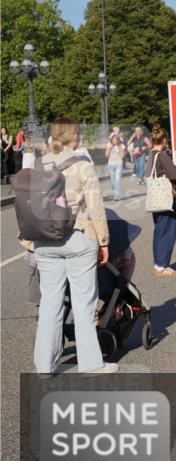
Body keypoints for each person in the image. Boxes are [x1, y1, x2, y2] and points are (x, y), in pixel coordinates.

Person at [27, 118, 116, 374]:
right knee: (83, 304)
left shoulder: (37, 165)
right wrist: (104, 241)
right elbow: (96, 208)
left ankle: (44, 365)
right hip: (77, 237)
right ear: (73, 137)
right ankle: (90, 364)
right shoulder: (83, 166)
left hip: (44, 240)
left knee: (50, 305)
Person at [146, 127, 176, 277]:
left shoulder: (151, 154)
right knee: (168, 230)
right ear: (164, 140)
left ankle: (158, 263)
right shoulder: (162, 155)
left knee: (159, 230)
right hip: (164, 198)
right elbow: (173, 175)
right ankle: (163, 265)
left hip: (155, 198)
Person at [105, 133, 126, 201]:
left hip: (118, 164)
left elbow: (122, 156)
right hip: (110, 164)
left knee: (117, 180)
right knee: (113, 181)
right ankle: (115, 194)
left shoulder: (122, 146)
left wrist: (119, 148)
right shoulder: (109, 145)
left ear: (118, 140)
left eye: (116, 140)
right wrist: (109, 149)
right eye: (113, 140)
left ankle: (116, 195)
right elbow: (106, 156)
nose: (114, 141)